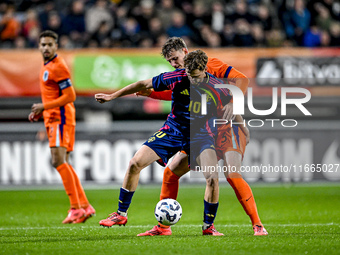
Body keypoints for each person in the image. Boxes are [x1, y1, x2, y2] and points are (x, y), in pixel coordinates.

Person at [137, 37, 267, 236]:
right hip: (203, 130)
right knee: (171, 172)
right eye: (169, 61)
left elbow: (242, 80)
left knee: (231, 174)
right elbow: (175, 93)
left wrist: (234, 103)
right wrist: (151, 94)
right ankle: (163, 227)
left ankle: (257, 224)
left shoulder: (211, 64)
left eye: (175, 58)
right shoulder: (183, 75)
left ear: (185, 51)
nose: (174, 63)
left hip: (227, 125)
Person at [94, 49, 234, 236]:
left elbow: (231, 100)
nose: (192, 80)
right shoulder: (176, 76)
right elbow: (142, 83)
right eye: (189, 75)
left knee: (212, 178)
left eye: (195, 76)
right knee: (135, 163)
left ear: (203, 69)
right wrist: (112, 96)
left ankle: (208, 227)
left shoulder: (218, 86)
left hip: (201, 136)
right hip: (174, 130)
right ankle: (120, 214)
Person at [28, 30, 95, 224]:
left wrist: (44, 106)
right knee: (64, 161)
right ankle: (84, 206)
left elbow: (70, 96)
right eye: (43, 45)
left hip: (60, 118)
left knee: (58, 161)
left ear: (56, 46)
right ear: (39, 46)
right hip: (54, 117)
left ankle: (76, 207)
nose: (46, 48)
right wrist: (42, 110)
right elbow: (52, 95)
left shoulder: (58, 66)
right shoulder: (47, 65)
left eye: (50, 44)